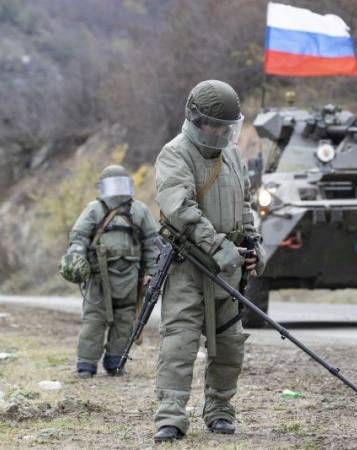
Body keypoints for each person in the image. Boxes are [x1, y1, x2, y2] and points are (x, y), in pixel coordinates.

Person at [152, 80, 266, 443]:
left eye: (226, 127)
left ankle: (219, 409)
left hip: (227, 269)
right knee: (179, 342)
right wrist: (217, 247)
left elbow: (245, 206)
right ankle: (170, 416)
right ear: (196, 120)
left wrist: (253, 245)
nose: (220, 133)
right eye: (214, 126)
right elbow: (181, 209)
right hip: (189, 266)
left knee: (230, 341)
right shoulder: (175, 154)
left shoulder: (232, 156)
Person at [59, 165, 159, 377]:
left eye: (121, 184)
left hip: (132, 278)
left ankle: (115, 361)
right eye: (113, 185)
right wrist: (76, 257)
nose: (117, 190)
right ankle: (86, 364)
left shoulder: (139, 211)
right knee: (94, 320)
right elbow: (79, 237)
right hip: (98, 277)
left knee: (125, 320)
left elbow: (152, 243)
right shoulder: (94, 209)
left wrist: (151, 271)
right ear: (103, 187)